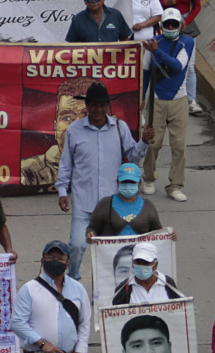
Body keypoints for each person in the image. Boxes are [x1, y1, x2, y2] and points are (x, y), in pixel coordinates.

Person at [56, 82, 147, 270]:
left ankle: (111, 291)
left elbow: (132, 156)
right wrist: (62, 191)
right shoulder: (74, 130)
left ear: (107, 106)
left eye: (101, 105)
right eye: (94, 105)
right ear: (87, 106)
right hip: (83, 201)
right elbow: (66, 164)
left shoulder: (120, 128)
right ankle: (73, 283)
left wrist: (144, 142)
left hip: (111, 204)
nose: (98, 109)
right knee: (76, 246)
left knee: (113, 251)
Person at [142, 8, 193, 202]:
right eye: (167, 24)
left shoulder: (187, 42)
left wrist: (157, 53)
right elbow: (146, 71)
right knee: (152, 143)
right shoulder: (153, 44)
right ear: (161, 26)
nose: (171, 28)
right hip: (156, 99)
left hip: (179, 100)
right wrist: (142, 96)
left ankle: (175, 185)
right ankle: (148, 178)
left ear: (180, 25)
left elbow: (178, 66)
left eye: (174, 24)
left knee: (179, 145)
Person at [86, 162, 163, 251]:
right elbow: (93, 228)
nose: (128, 185)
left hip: (140, 258)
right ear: (118, 181)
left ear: (139, 183)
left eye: (132, 182)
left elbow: (159, 234)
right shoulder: (105, 204)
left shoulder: (148, 206)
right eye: (124, 181)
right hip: (111, 256)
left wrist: (170, 236)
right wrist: (91, 234)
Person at [65, 0, 131, 43]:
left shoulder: (116, 15)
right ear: (85, 1)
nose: (94, 1)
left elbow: (125, 40)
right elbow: (71, 46)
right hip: (88, 56)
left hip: (112, 56)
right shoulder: (77, 19)